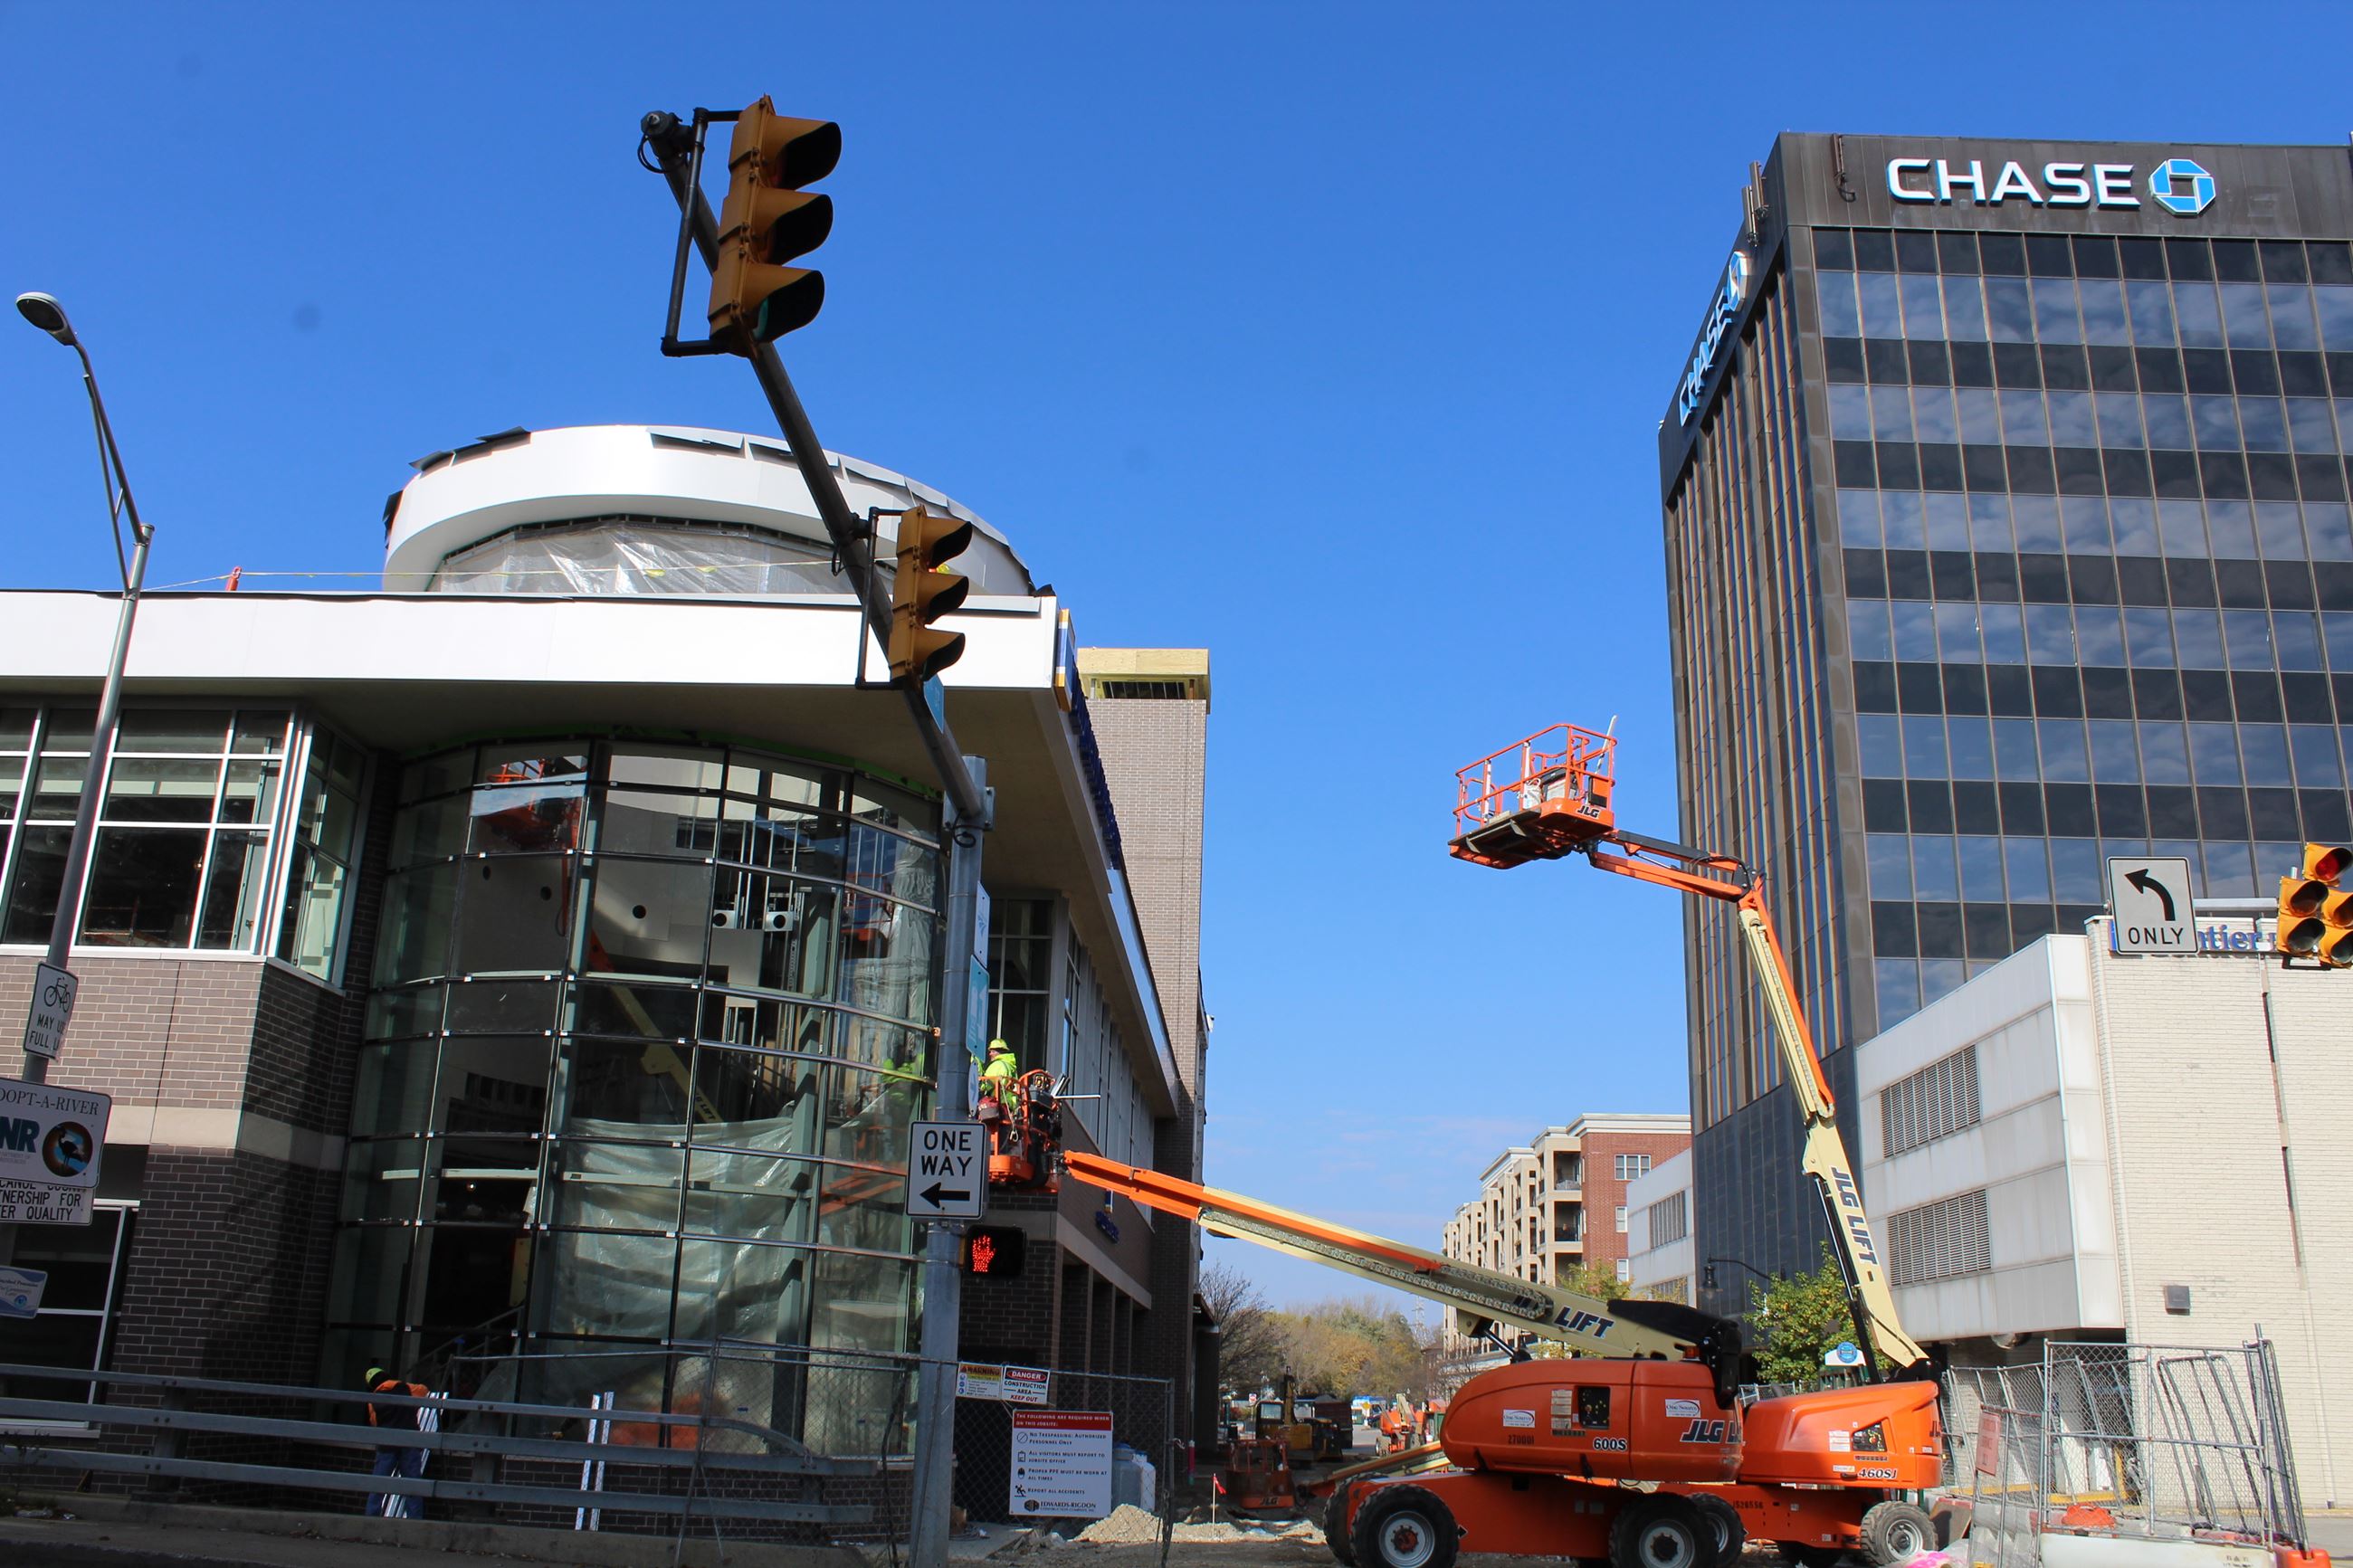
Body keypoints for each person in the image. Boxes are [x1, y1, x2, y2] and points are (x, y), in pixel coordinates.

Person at [365, 1364, 431, 1517]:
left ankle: (371, 1517)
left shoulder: (373, 1399)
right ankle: (415, 1521)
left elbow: (374, 1422)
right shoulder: (405, 1388)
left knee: (378, 1484)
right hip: (409, 1442)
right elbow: (424, 1391)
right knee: (412, 1485)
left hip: (387, 1445)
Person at [980, 1039, 1019, 1107]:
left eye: (993, 1051)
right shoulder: (1011, 1067)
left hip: (997, 1104)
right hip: (1010, 1105)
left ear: (1000, 1052)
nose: (990, 1054)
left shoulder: (997, 1065)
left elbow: (987, 1086)